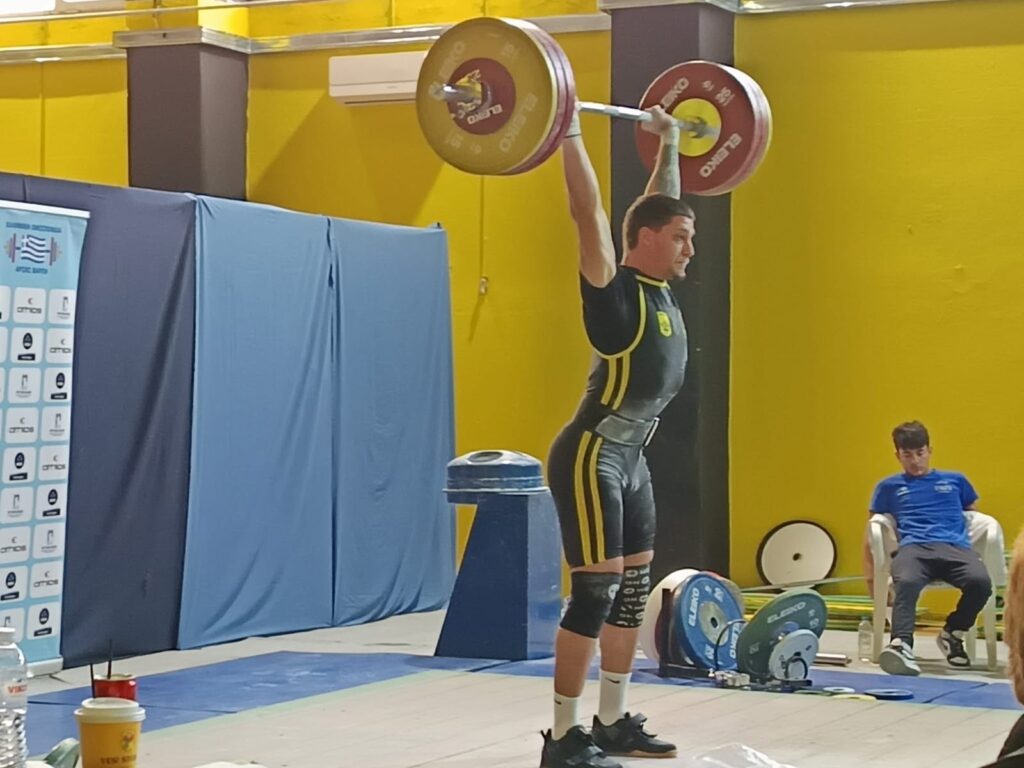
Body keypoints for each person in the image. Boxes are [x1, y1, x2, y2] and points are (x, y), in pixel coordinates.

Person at [539, 103, 695, 768]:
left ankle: (611, 722)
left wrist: (670, 141)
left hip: (633, 458)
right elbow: (590, 213)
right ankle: (562, 736)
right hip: (592, 454)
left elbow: (658, 205)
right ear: (648, 240)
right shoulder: (615, 294)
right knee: (596, 592)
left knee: (632, 593)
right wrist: (568, 128)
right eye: (681, 237)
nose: (690, 248)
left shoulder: (660, 285)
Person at [864, 420, 993, 676]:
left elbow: (973, 517)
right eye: (907, 455)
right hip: (913, 548)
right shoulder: (888, 487)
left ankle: (952, 633)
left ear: (929, 451)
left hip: (954, 546)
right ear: (898, 456)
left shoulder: (956, 480)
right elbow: (871, 530)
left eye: (920, 453)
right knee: (907, 582)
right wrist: (870, 576)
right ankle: (901, 644)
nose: (915, 461)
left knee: (981, 583)